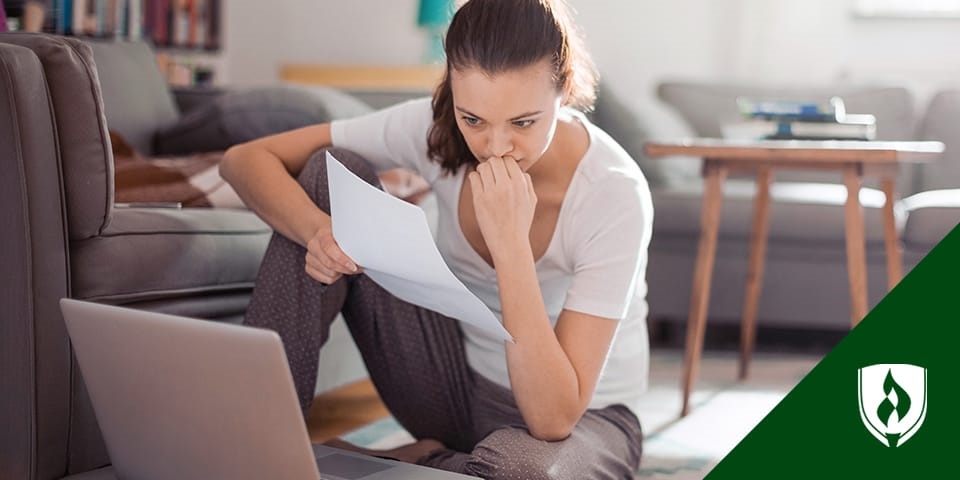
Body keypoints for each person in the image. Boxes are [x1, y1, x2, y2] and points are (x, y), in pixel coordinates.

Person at [220, 0, 652, 478]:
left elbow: (553, 419)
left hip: (583, 422)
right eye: (474, 120)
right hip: (454, 391)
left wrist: (510, 244)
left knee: (521, 470)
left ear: (565, 89)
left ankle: (422, 461)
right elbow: (244, 160)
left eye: (524, 122)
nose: (496, 147)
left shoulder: (613, 193)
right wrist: (317, 232)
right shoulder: (433, 126)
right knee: (329, 172)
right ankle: (252, 449)